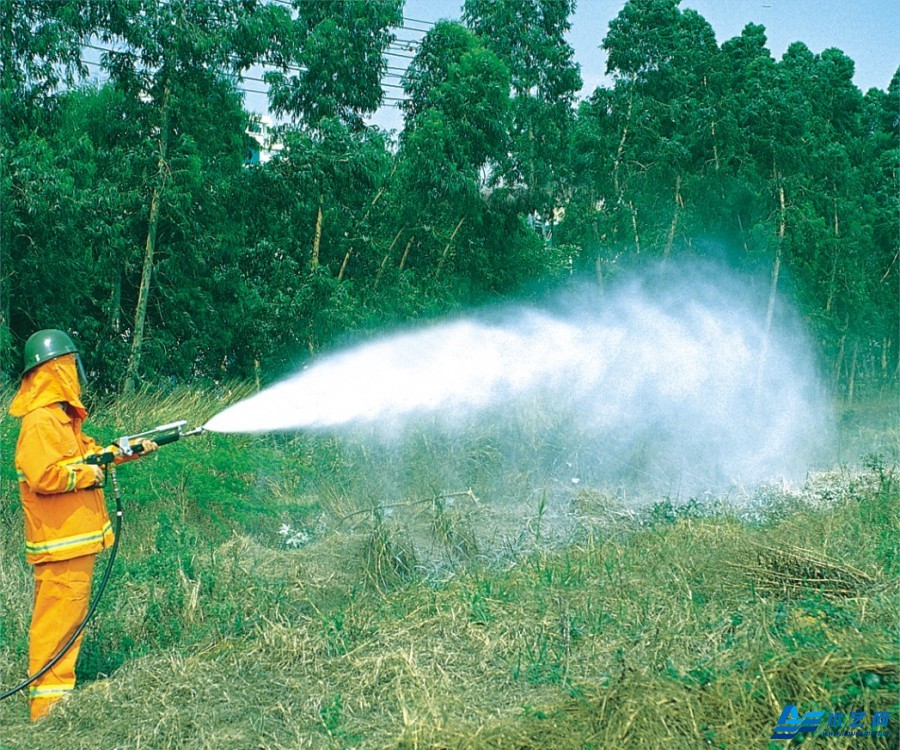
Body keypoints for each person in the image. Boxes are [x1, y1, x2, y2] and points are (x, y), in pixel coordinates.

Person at [8, 329, 156, 721]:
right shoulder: (41, 421)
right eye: (71, 365)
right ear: (55, 369)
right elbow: (45, 475)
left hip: (73, 544)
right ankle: (46, 707)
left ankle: (58, 695)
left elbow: (87, 455)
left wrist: (126, 451)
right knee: (56, 623)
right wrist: (90, 476)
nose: (76, 373)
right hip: (60, 545)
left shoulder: (60, 419)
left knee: (67, 619)